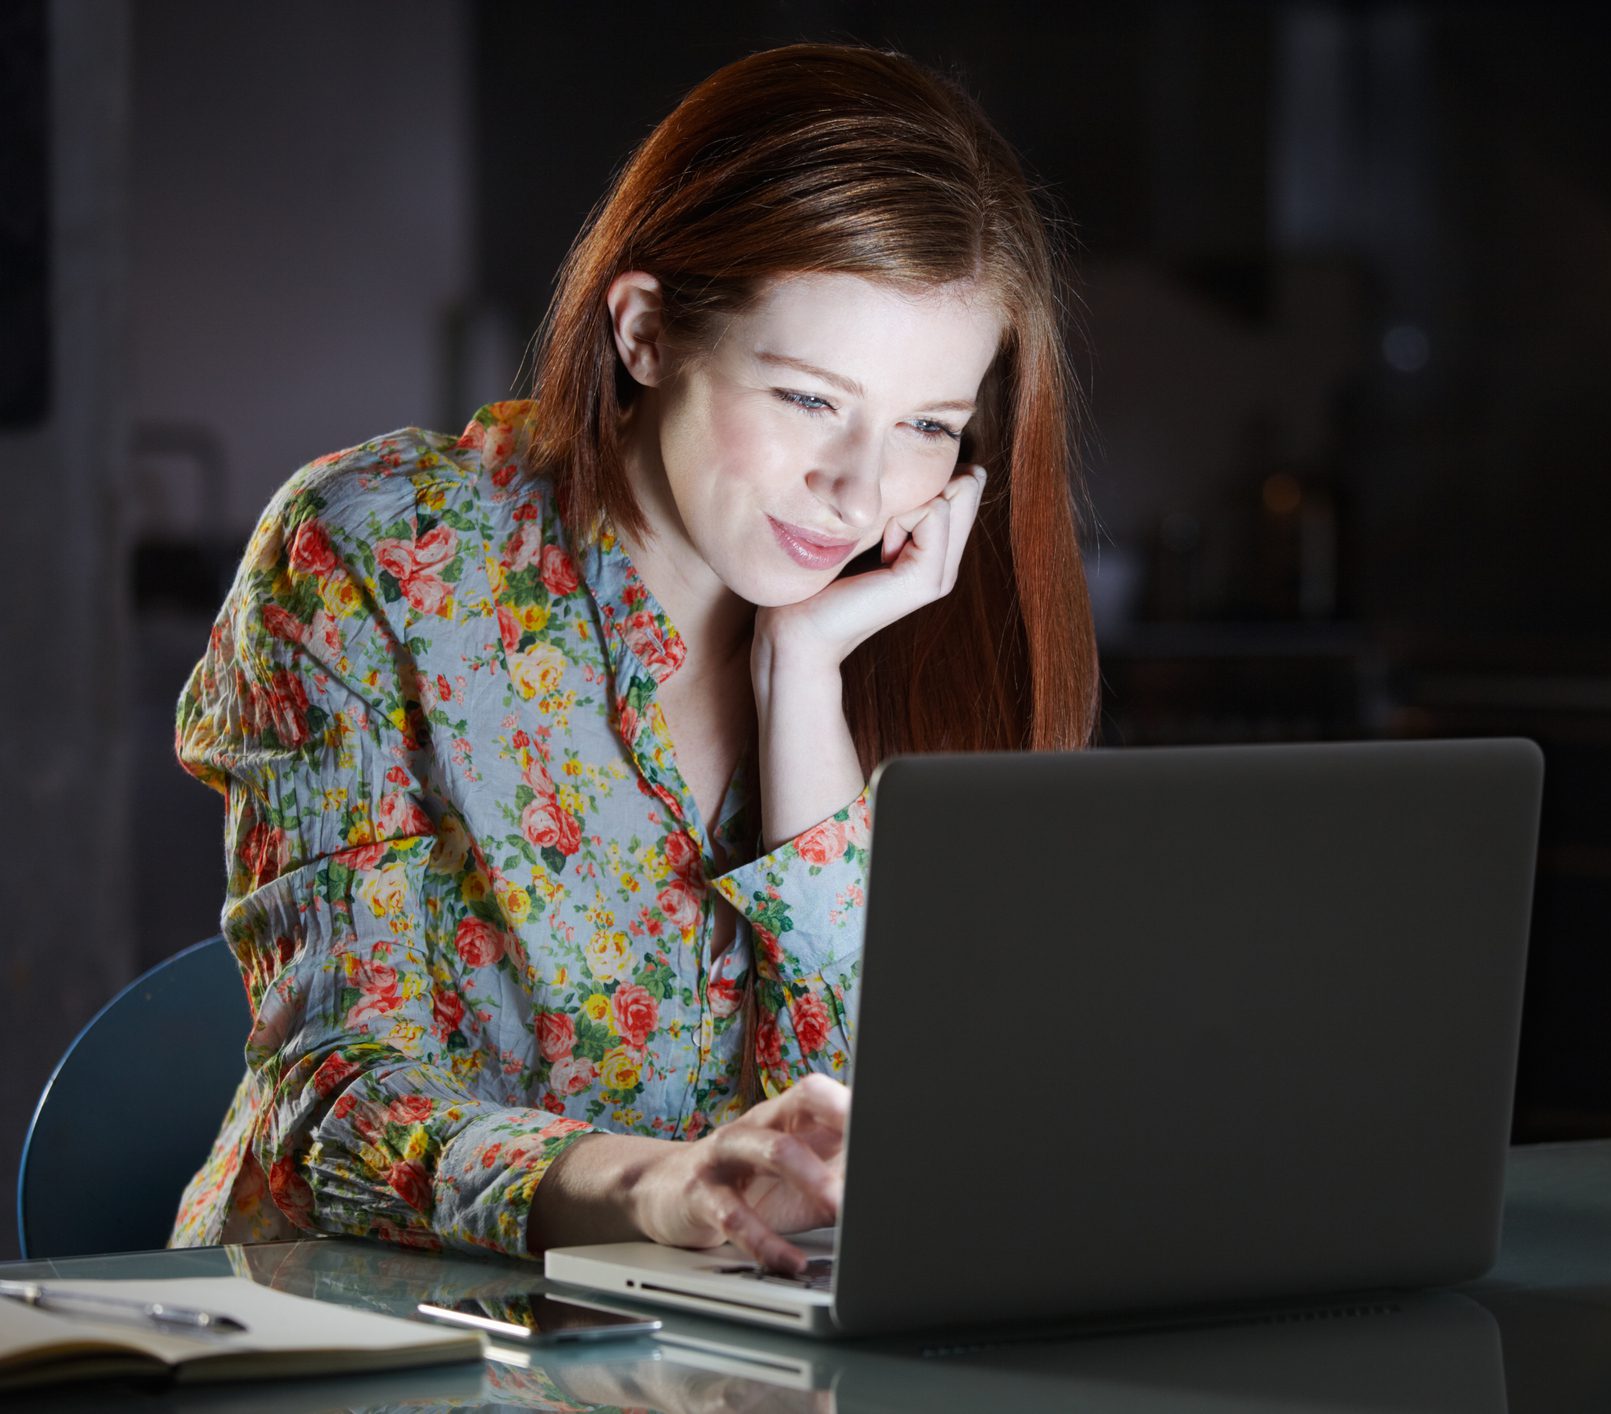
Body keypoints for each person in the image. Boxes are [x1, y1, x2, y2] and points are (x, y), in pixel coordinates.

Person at [168, 42, 1098, 1272]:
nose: (862, 490)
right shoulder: (379, 553)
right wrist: (658, 1186)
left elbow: (885, 1138)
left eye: (927, 426)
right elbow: (334, 1099)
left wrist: (803, 684)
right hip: (358, 1330)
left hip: (729, 1354)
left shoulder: (909, 631)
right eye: (811, 400)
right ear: (649, 332)